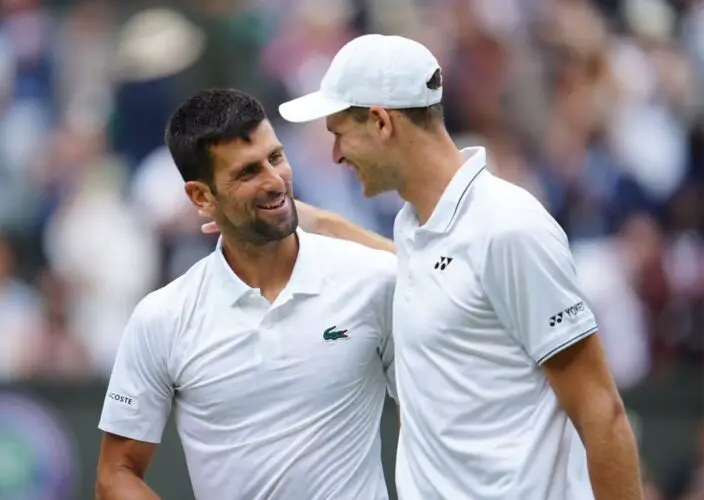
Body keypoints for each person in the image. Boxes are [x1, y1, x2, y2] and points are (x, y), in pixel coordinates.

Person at [273, 34, 644, 499]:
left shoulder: (509, 227)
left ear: (381, 122)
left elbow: (601, 410)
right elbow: (434, 274)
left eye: (339, 134)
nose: (336, 155)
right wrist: (313, 221)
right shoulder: (416, 227)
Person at [95, 88, 397, 500]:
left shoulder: (374, 279)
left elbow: (433, 415)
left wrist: (326, 223)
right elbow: (115, 474)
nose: (275, 181)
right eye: (248, 173)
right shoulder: (163, 317)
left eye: (276, 157)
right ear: (202, 197)